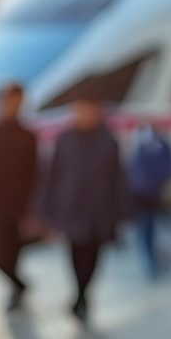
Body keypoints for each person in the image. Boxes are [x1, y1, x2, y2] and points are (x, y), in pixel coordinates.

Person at [39, 92, 127, 321]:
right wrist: (46, 211)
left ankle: (82, 293)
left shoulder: (108, 140)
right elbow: (52, 176)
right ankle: (80, 294)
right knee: (75, 253)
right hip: (71, 209)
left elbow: (117, 178)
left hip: (99, 211)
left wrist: (120, 213)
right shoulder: (65, 139)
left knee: (93, 255)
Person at [0, 83, 39, 311]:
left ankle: (16, 289)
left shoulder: (28, 137)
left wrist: (30, 205)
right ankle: (19, 284)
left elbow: (33, 173)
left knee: (13, 251)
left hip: (18, 205)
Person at [129, 121, 171, 278]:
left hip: (158, 197)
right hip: (142, 199)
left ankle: (163, 258)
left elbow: (170, 169)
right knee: (146, 230)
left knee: (164, 229)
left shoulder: (161, 147)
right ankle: (152, 261)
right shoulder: (140, 148)